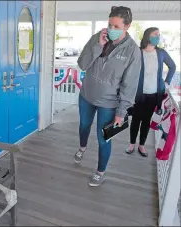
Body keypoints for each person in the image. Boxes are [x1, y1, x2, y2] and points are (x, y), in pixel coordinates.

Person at [75, 6, 141, 187]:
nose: (111, 29)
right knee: (84, 125)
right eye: (110, 24)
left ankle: (100, 171)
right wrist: (98, 45)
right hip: (87, 95)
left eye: (116, 26)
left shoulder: (133, 51)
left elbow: (130, 84)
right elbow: (82, 64)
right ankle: (82, 147)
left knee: (104, 138)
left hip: (109, 103)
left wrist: (121, 112)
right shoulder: (99, 37)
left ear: (127, 26)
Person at [125, 27, 176, 157]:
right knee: (136, 119)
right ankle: (132, 144)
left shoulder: (161, 53)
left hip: (154, 94)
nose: (158, 37)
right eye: (155, 34)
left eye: (159, 35)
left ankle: (141, 145)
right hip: (139, 94)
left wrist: (166, 83)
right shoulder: (137, 52)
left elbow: (172, 66)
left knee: (146, 120)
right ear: (148, 36)